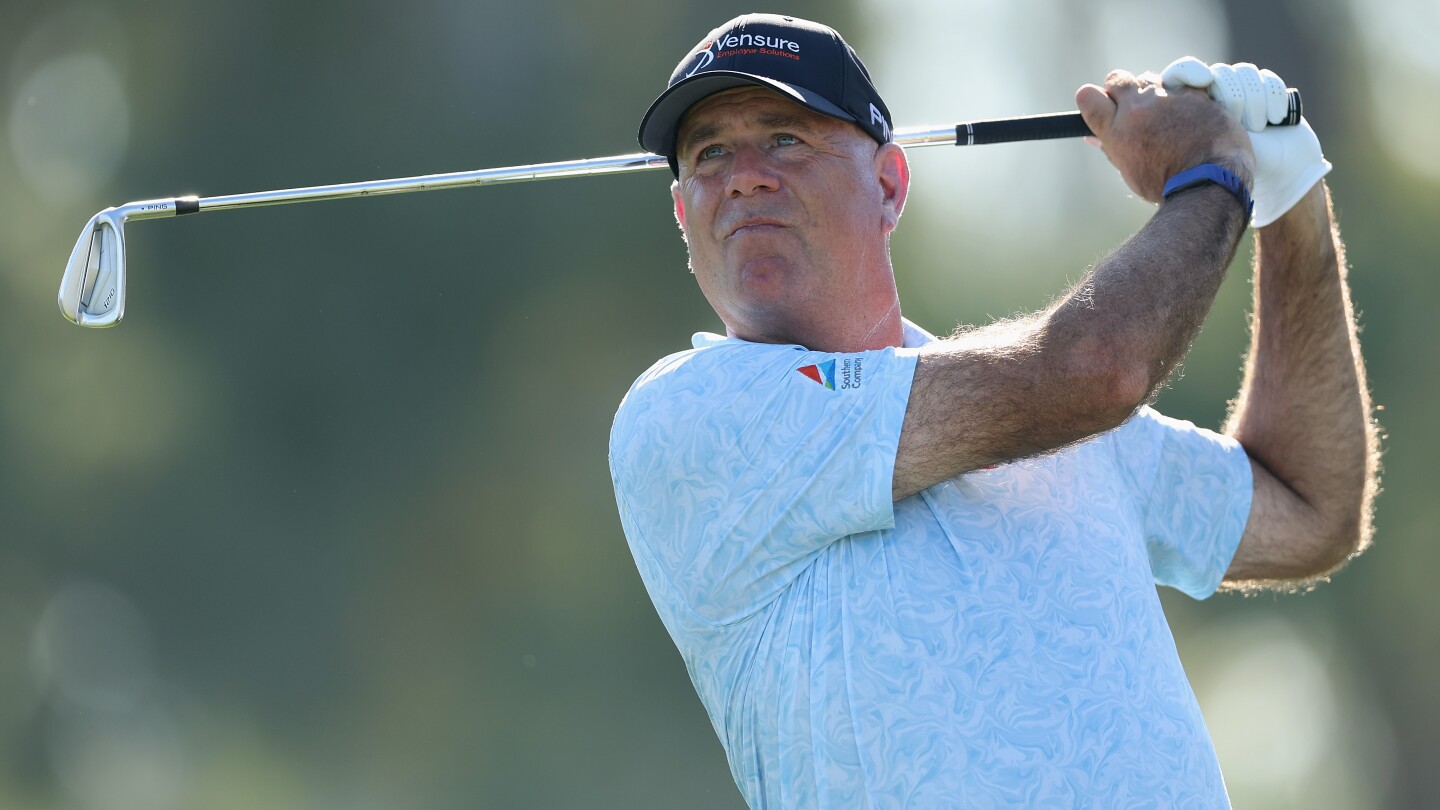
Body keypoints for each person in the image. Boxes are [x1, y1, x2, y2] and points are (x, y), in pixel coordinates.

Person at [609, 12, 1376, 808]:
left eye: (785, 139)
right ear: (683, 213)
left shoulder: (1055, 421)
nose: (744, 176)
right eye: (709, 153)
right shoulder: (686, 416)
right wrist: (1214, 173)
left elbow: (1309, 508)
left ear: (888, 185)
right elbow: (1096, 369)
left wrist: (1292, 201)